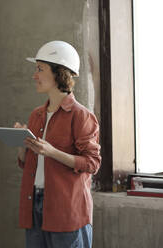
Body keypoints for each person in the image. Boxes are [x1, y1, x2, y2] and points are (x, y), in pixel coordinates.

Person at [14, 40, 101, 248]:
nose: (34, 75)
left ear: (59, 73)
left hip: (66, 208)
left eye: (40, 69)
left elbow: (92, 163)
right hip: (34, 202)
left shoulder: (81, 116)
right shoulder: (37, 115)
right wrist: (20, 144)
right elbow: (26, 164)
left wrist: (52, 152)